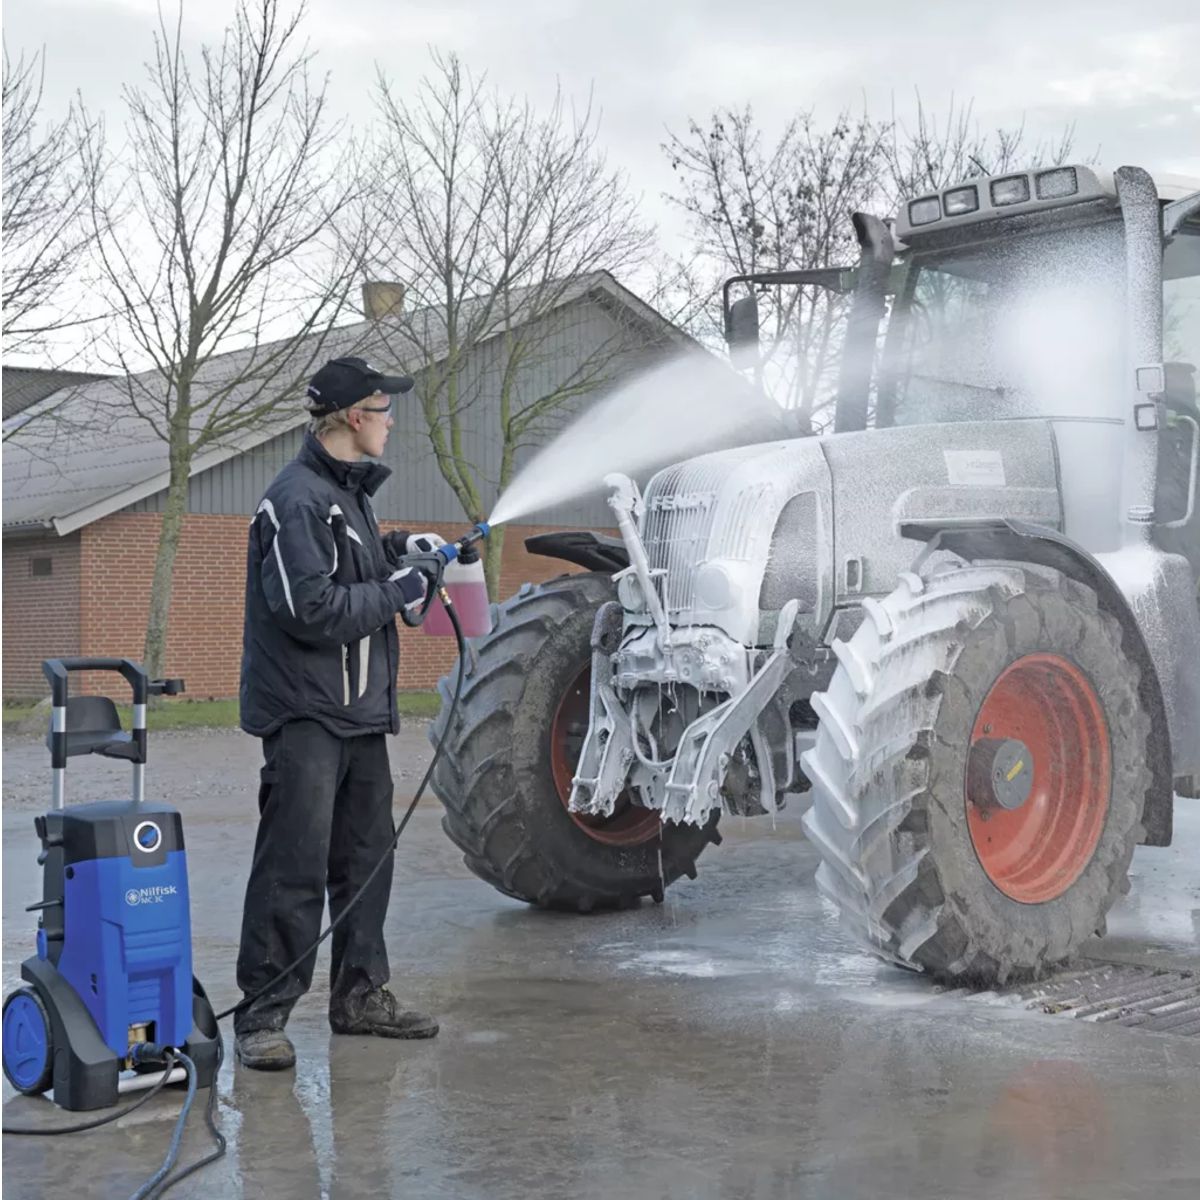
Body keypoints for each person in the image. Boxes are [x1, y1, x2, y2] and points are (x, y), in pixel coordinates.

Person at [234, 355, 446, 1071]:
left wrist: (396, 549)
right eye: (385, 412)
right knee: (293, 867)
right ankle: (262, 1016)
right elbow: (311, 607)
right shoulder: (294, 498)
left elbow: (346, 563)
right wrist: (401, 587)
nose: (392, 424)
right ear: (355, 418)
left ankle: (360, 996)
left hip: (356, 713)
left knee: (366, 862)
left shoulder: (345, 494)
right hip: (306, 715)